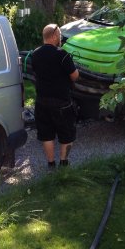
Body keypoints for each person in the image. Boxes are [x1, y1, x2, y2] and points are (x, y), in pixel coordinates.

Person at [31, 23, 79, 169]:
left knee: (46, 134)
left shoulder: (35, 54)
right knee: (67, 134)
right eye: (58, 34)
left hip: (42, 101)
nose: (60, 37)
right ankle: (64, 162)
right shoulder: (62, 54)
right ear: (53, 36)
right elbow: (75, 76)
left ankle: (51, 164)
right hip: (61, 103)